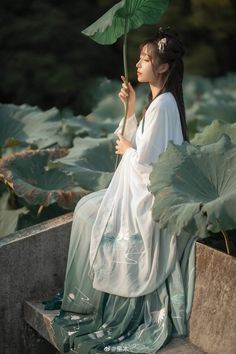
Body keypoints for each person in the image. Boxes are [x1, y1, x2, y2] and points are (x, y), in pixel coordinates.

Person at [51, 27, 196, 353]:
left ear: (163, 67)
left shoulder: (163, 106)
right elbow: (141, 147)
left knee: (90, 210)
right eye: (140, 57)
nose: (139, 63)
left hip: (146, 197)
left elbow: (147, 165)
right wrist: (130, 107)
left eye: (146, 59)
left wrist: (128, 149)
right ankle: (93, 299)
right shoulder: (160, 102)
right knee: (89, 206)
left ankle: (101, 307)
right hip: (140, 190)